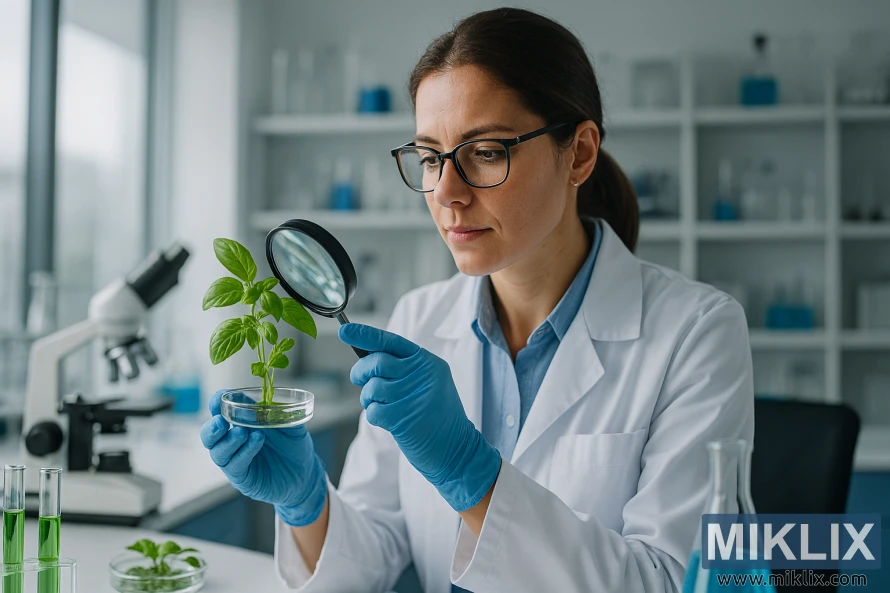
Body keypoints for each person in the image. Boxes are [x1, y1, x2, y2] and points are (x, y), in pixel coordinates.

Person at [201, 7, 753, 593]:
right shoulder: (418, 318)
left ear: (580, 154)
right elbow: (377, 553)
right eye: (431, 157)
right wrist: (306, 501)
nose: (446, 193)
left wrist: (472, 475)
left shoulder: (697, 332)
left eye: (486, 152)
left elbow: (677, 582)